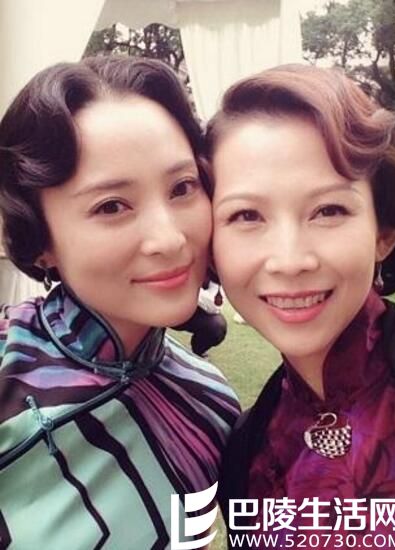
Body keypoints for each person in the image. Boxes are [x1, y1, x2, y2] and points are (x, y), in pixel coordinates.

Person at [0, 56, 240, 549]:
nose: (169, 239)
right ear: (39, 237)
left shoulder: (212, 402)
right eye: (111, 206)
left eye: (182, 188)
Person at [207, 64, 395, 546]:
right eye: (246, 215)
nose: (290, 261)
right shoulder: (243, 453)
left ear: (383, 233)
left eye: (328, 210)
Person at [173, 279, 227, 357]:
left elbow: (214, 304)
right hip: (161, 304)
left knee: (216, 325)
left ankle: (198, 352)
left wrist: (188, 289)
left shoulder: (213, 273)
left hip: (188, 313)